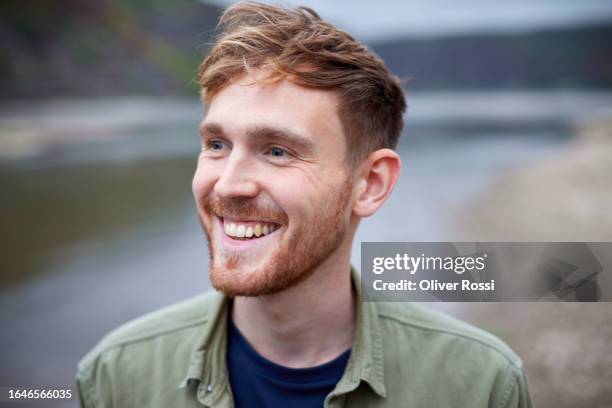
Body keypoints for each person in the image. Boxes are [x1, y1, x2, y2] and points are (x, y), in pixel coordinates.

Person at [75, 2, 532, 407]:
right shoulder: (116, 376)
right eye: (216, 144)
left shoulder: (481, 383)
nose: (229, 185)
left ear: (370, 184)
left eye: (277, 151)